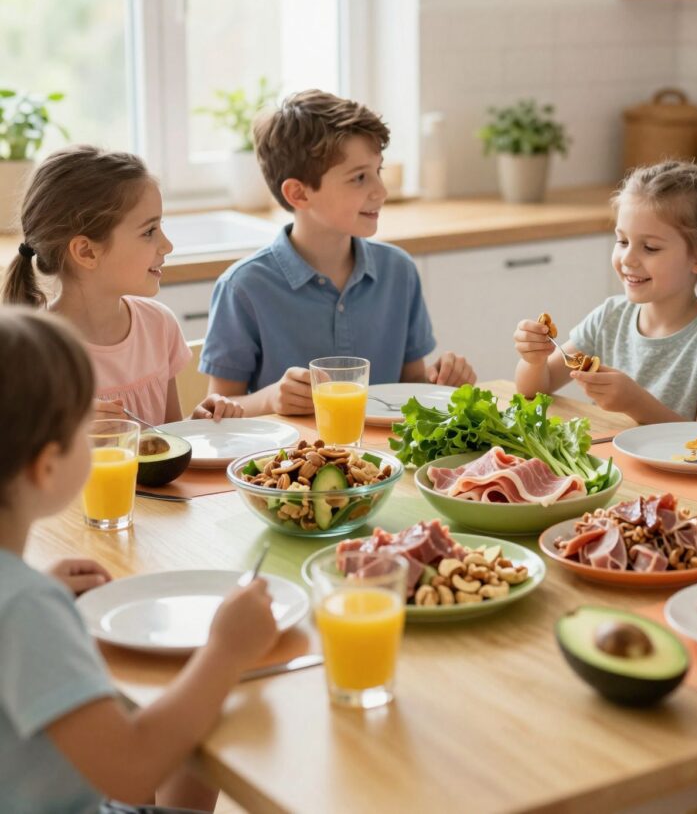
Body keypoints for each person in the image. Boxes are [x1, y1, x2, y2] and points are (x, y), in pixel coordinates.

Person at [0, 307, 279, 814]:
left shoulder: (19, 594)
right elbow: (131, 772)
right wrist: (227, 649)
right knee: (209, 717)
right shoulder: (25, 609)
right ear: (47, 467)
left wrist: (39, 587)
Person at [201, 90, 475, 416]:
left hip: (385, 462)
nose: (381, 190)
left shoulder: (398, 271)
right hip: (285, 462)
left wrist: (440, 381)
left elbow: (410, 384)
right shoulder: (244, 287)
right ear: (299, 193)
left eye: (378, 171)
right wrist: (270, 398)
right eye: (359, 177)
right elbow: (217, 411)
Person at [2, 145, 242, 425]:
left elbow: (166, 441)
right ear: (86, 252)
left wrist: (198, 424)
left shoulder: (158, 325)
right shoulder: (34, 356)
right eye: (149, 231)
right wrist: (70, 434)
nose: (167, 245)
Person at [513, 160, 697, 423]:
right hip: (606, 463)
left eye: (650, 247)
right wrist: (534, 360)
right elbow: (534, 388)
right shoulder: (610, 317)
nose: (628, 258)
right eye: (623, 241)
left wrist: (636, 403)